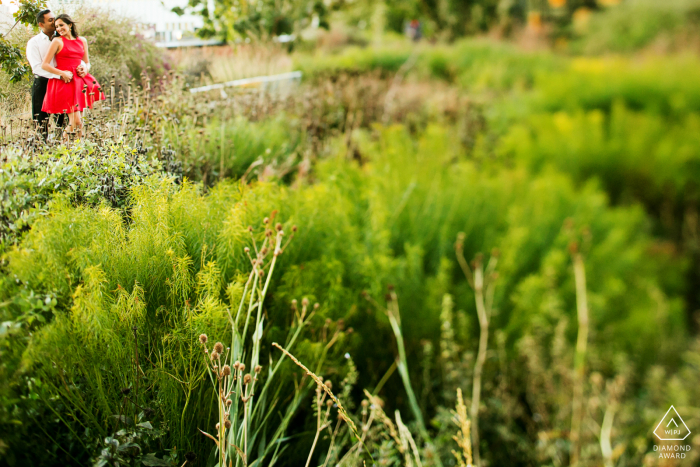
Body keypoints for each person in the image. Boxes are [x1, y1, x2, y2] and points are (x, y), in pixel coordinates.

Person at [26, 9, 88, 139]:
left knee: (65, 120)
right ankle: (41, 151)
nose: (54, 23)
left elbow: (78, 58)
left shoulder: (63, 38)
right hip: (44, 82)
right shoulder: (34, 42)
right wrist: (60, 75)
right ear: (41, 24)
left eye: (54, 19)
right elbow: (37, 67)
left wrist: (83, 68)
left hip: (65, 83)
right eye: (51, 21)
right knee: (41, 121)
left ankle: (63, 147)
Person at [40, 14, 104, 138]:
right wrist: (62, 73)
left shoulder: (82, 40)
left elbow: (86, 62)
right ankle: (63, 151)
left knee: (78, 123)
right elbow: (45, 65)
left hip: (79, 81)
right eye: (56, 26)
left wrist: (85, 69)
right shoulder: (57, 41)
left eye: (61, 25)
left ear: (70, 25)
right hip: (65, 82)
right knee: (76, 122)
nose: (58, 29)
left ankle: (77, 152)